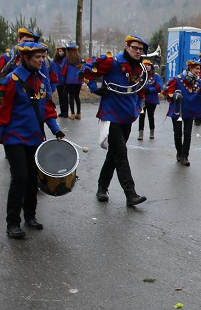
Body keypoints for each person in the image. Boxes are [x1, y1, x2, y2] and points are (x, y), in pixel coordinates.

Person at [0, 41, 65, 239]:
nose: (41, 61)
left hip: (35, 138)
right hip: (14, 138)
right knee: (20, 178)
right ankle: (12, 223)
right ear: (25, 58)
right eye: (37, 57)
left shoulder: (41, 80)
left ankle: (30, 216)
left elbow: (47, 109)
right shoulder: (11, 81)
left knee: (32, 180)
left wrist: (56, 130)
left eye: (42, 57)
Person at [86, 34, 150, 207]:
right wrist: (95, 89)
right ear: (127, 46)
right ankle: (130, 194)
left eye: (140, 49)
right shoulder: (112, 62)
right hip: (110, 116)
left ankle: (102, 187)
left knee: (113, 155)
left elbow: (141, 91)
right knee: (121, 154)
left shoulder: (140, 69)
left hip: (127, 117)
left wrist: (137, 109)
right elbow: (86, 69)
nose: (138, 51)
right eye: (135, 48)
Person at [166, 60, 201, 166]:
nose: (198, 71)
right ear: (190, 69)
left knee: (187, 134)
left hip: (190, 111)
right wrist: (174, 96)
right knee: (178, 134)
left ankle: (185, 156)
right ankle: (179, 152)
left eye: (199, 69)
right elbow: (167, 91)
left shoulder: (200, 82)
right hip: (178, 110)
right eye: (196, 69)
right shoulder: (177, 79)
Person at [0, 27, 39, 94]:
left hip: (30, 96)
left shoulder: (37, 59)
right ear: (19, 40)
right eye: (25, 41)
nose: (28, 44)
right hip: (10, 95)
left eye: (31, 41)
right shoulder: (6, 57)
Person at [137, 49, 163, 140]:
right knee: (141, 116)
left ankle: (152, 132)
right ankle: (140, 134)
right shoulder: (141, 75)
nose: (146, 67)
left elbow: (159, 87)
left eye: (148, 65)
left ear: (151, 66)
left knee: (150, 116)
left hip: (152, 99)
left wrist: (149, 90)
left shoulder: (156, 76)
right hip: (142, 99)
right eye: (145, 65)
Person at [60, 42, 84, 119]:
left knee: (71, 97)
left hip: (69, 81)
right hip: (78, 80)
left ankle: (72, 113)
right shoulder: (80, 59)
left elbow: (63, 70)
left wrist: (62, 80)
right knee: (77, 96)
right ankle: (79, 113)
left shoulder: (66, 59)